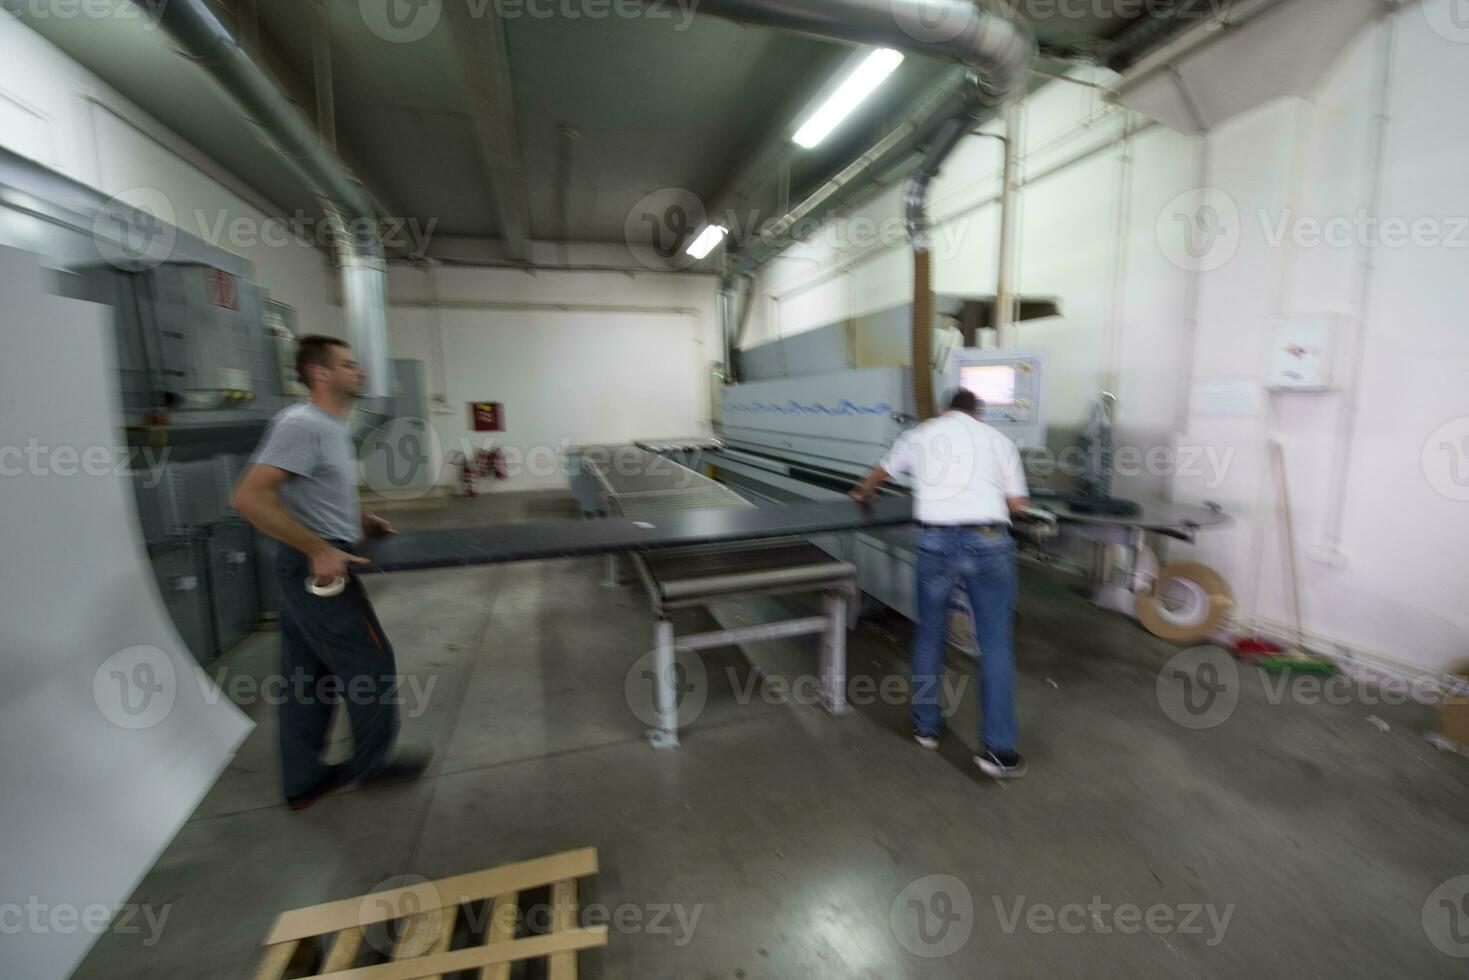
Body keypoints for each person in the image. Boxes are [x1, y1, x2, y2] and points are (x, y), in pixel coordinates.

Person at [233, 335, 430, 809]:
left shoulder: (331, 427)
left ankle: (302, 780)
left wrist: (357, 520)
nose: (358, 373)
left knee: (308, 675)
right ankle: (373, 764)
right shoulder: (301, 424)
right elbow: (248, 497)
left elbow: (312, 490)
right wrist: (318, 547)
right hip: (315, 568)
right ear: (320, 373)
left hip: (317, 558)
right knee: (370, 661)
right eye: (348, 365)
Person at [850, 388, 1030, 779]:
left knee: (930, 632)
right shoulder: (1000, 441)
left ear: (946, 410)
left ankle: (926, 728)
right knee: (996, 642)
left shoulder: (921, 434)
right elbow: (1018, 506)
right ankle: (998, 752)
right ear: (978, 414)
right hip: (988, 541)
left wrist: (863, 493)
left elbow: (878, 475)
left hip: (935, 542)